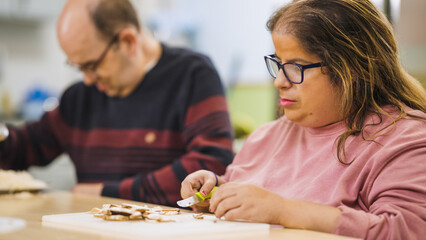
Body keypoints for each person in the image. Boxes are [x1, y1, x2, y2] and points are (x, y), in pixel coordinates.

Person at [181, 0, 426, 239]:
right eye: (279, 63)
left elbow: (406, 230)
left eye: (296, 67)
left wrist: (283, 210)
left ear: (352, 69)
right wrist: (216, 193)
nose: (279, 81)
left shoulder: (405, 140)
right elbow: (254, 202)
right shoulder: (267, 136)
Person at [0, 0, 234, 207]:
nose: (88, 79)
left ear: (128, 41)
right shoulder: (80, 97)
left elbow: (211, 163)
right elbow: (24, 146)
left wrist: (107, 192)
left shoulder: (192, 75)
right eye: (78, 67)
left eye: (92, 65)